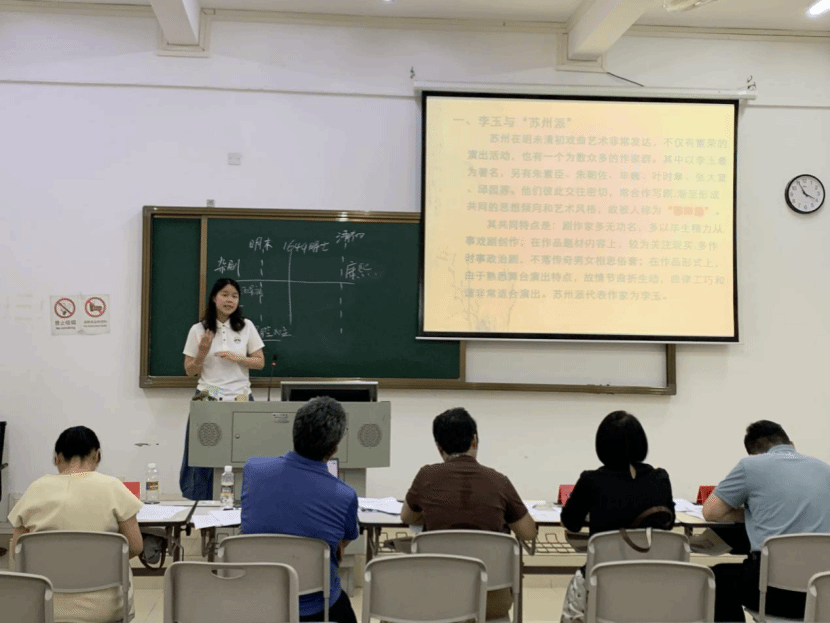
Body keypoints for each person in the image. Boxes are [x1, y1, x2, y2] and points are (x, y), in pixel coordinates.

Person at [401, 407, 537, 620]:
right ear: (475, 440)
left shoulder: (426, 476)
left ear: (439, 447)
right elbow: (528, 532)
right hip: (491, 601)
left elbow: (407, 517)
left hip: (438, 598)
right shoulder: (499, 481)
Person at [8, 426, 144, 623]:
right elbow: (136, 546)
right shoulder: (113, 487)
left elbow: (18, 552)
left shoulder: (35, 490)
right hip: (105, 608)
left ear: (57, 458)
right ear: (97, 456)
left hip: (43, 606)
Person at [241, 396, 359, 623]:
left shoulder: (253, 469)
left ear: (294, 433)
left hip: (259, 601)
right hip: (318, 609)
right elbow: (342, 545)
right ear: (333, 450)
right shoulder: (345, 495)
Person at [703, 420, 830, 622]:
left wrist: (751, 513)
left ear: (754, 453)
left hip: (772, 594)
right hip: (821, 594)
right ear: (791, 444)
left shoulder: (750, 466)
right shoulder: (825, 469)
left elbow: (710, 512)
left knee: (715, 578)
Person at [559, 411, 674, 623]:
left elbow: (571, 523)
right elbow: (669, 523)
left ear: (602, 445)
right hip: (654, 584)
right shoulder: (660, 478)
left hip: (602, 585)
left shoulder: (591, 480)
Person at [180, 277, 265, 500]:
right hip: (209, 393)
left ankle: (245, 499)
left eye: (234, 296)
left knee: (246, 450)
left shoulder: (246, 326)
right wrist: (202, 351)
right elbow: (190, 370)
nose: (230, 300)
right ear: (214, 298)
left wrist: (237, 358)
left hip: (240, 394)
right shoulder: (199, 329)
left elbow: (260, 362)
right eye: (225, 294)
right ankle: (199, 499)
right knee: (201, 451)